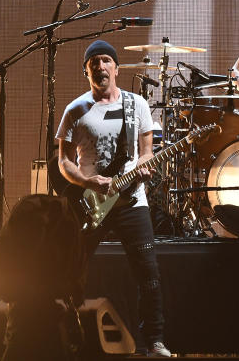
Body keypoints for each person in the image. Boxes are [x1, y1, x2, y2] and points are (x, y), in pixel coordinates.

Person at [56, 40, 171, 357]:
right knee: (72, 269)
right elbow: (63, 161)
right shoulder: (75, 110)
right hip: (91, 205)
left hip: (133, 202)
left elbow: (146, 154)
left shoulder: (138, 106)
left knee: (148, 272)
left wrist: (146, 168)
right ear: (86, 70)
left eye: (106, 60)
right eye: (94, 61)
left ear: (116, 68)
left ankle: (155, 341)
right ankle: (66, 334)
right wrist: (86, 180)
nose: (100, 65)